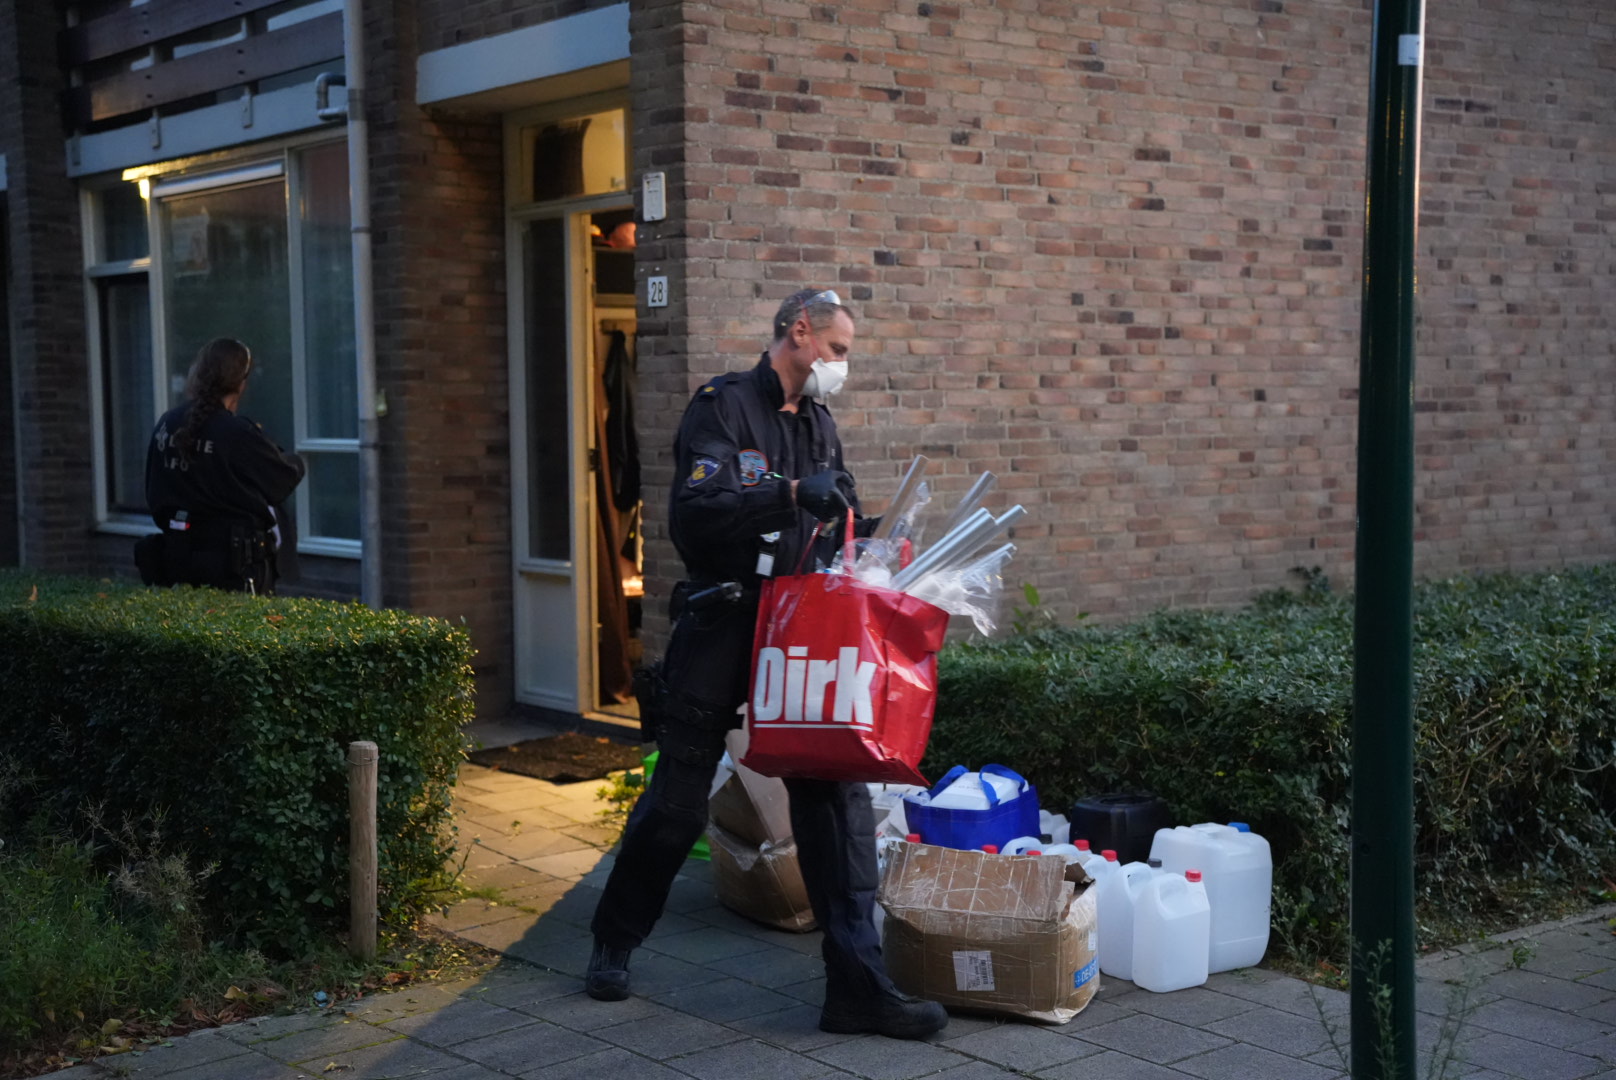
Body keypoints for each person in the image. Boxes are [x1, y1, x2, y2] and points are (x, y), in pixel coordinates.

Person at [586, 289, 949, 1040]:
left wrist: (873, 537)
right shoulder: (722, 407)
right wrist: (787, 494)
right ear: (800, 332)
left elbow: (835, 516)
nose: (842, 366)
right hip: (725, 621)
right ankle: (614, 941)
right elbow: (696, 511)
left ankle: (858, 986)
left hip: (800, 632)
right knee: (678, 800)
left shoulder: (819, 423)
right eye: (839, 350)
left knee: (834, 797)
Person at [135, 337, 304, 595]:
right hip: (233, 572)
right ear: (241, 384)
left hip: (177, 565)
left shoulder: (166, 424)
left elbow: (154, 490)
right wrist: (292, 459)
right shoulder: (237, 432)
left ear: (197, 375)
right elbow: (281, 480)